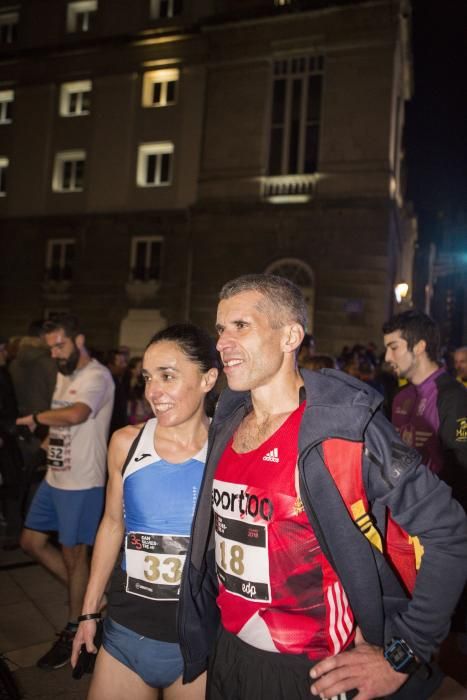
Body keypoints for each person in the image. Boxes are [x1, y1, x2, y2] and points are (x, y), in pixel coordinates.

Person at [178, 274, 467, 700]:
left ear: (291, 335)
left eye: (241, 326)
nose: (222, 343)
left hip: (316, 672)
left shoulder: (345, 431)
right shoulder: (227, 420)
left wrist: (402, 653)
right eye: (221, 329)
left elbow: (449, 532)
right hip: (231, 656)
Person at [71, 324, 219, 700]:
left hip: (198, 641)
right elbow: (111, 524)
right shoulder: (126, 442)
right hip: (126, 633)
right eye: (148, 378)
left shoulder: (229, 451)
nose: (153, 391)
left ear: (208, 379)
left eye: (168, 376)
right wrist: (88, 613)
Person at [17, 314, 114, 670]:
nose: (56, 353)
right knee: (31, 542)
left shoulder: (97, 376)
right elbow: (63, 421)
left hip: (82, 484)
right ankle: (95, 598)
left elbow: (76, 414)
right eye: (51, 348)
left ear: (79, 339)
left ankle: (76, 628)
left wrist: (37, 419)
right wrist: (47, 440)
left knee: (77, 559)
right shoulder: (65, 374)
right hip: (56, 477)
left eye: (60, 345)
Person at [383, 310, 467, 510]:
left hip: (438, 517)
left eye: (394, 347)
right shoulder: (399, 395)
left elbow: (461, 470)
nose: (387, 357)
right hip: (401, 512)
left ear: (420, 347)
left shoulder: (452, 395)